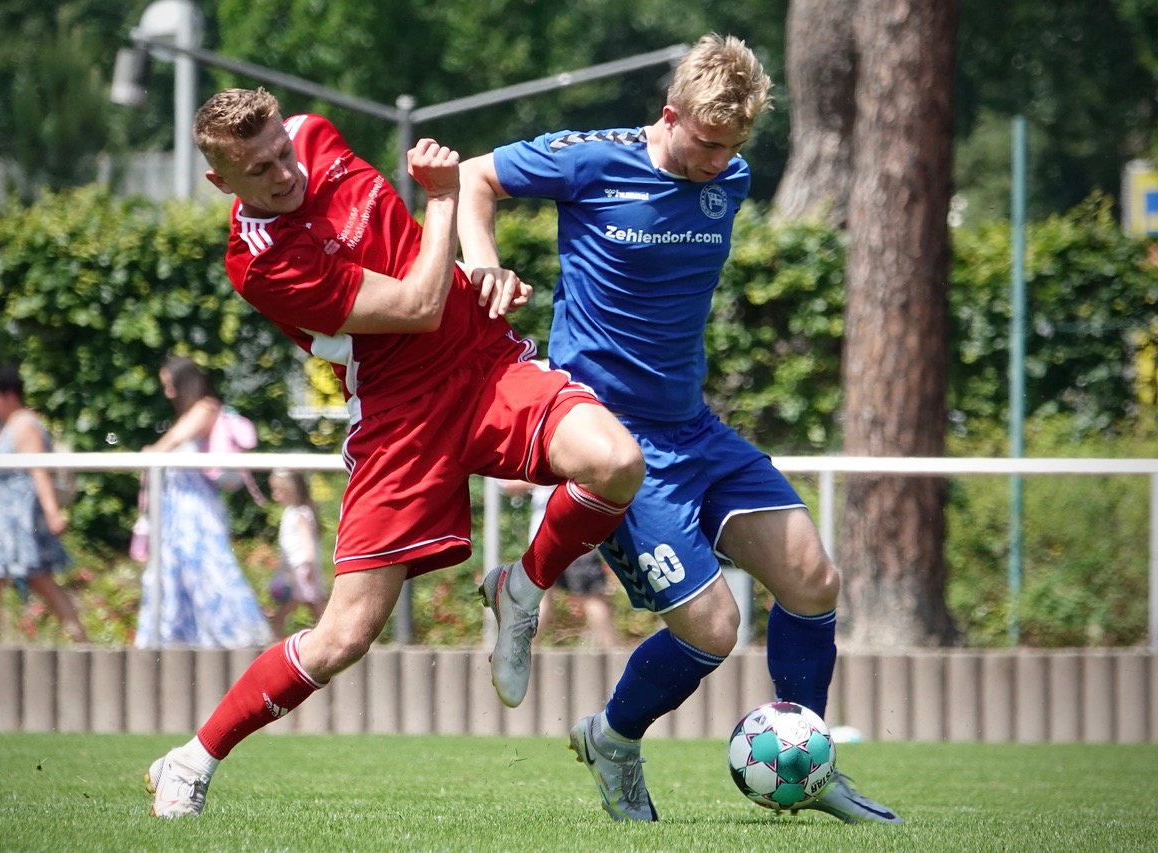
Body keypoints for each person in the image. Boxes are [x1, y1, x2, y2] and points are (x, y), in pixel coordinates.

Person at [144, 87, 643, 818]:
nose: (283, 172)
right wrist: (439, 202)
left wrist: (484, 261)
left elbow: (439, 260)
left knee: (616, 462)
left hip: (484, 362)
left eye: (282, 150)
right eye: (258, 169)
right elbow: (416, 307)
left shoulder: (317, 135)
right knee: (343, 635)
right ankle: (191, 759)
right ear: (222, 181)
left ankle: (521, 589)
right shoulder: (260, 264)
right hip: (400, 412)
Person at [458, 34, 902, 825]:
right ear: (671, 115)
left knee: (812, 578)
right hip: (614, 440)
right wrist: (484, 262)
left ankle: (807, 756)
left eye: (731, 147)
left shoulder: (730, 176)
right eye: (704, 142)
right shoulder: (592, 160)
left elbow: (716, 173)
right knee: (714, 628)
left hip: (694, 429)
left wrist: (720, 159)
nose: (716, 161)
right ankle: (615, 741)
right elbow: (472, 177)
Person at [134, 355, 273, 649]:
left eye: (171, 385)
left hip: (197, 507)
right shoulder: (189, 413)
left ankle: (236, 636)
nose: (168, 392)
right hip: (176, 509)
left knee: (209, 567)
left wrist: (151, 451)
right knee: (173, 570)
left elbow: (169, 444)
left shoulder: (204, 408)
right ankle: (174, 637)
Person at [0, 366, 89, 644]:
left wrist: (52, 512)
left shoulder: (24, 425)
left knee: (24, 581)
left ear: (10, 394)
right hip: (4, 527)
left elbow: (39, 470)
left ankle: (83, 644)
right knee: (2, 581)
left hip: (21, 524)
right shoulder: (8, 426)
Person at [501, 481, 616, 649]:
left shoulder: (564, 459)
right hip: (552, 538)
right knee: (542, 598)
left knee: (590, 596)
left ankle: (609, 652)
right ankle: (523, 653)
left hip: (571, 534)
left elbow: (517, 484)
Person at [267, 468, 328, 636]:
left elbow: (308, 543)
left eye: (278, 490)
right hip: (295, 569)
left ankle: (276, 638)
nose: (275, 495)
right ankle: (326, 637)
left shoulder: (300, 514)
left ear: (290, 490)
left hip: (302, 568)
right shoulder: (291, 513)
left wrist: (309, 565)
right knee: (316, 608)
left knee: (311, 608)